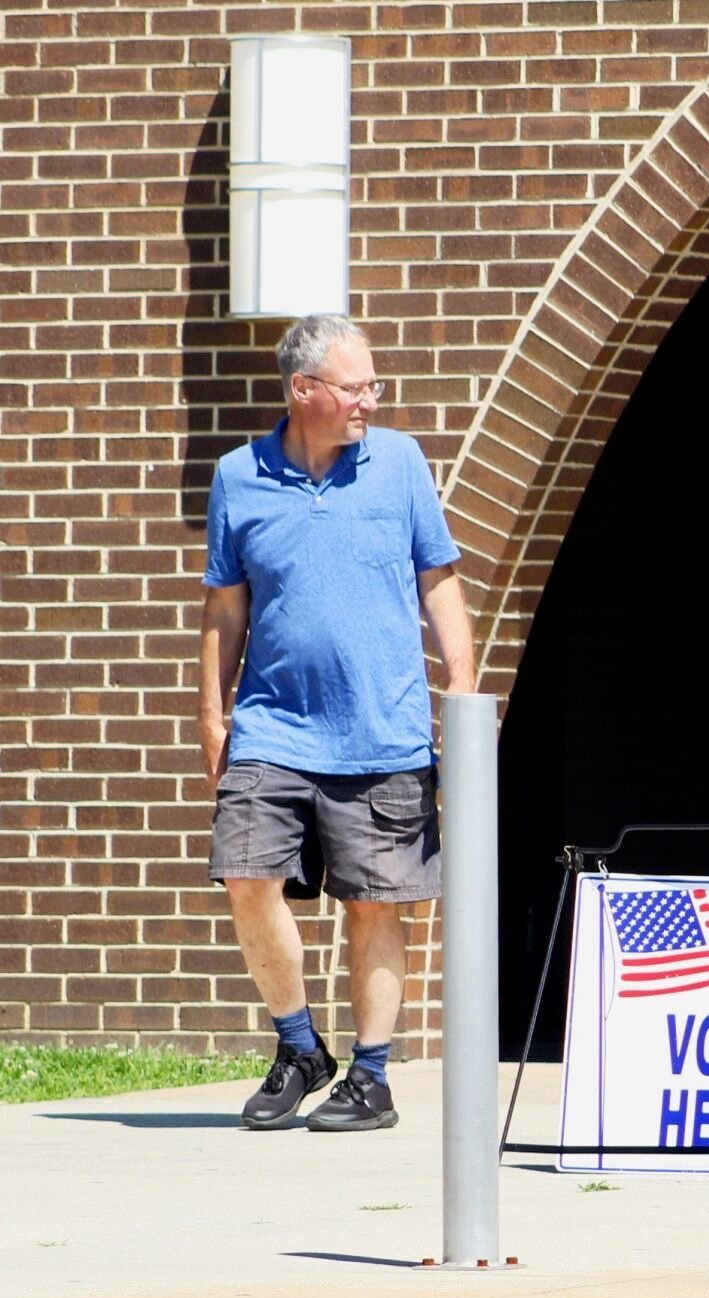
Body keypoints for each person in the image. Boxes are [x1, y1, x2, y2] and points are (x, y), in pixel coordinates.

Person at [198, 314, 475, 1132]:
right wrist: (212, 717)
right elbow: (225, 608)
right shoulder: (236, 477)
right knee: (247, 877)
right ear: (304, 391)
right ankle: (298, 1047)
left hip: (382, 728)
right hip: (272, 727)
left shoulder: (399, 465)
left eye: (373, 386)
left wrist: (460, 679)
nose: (369, 401)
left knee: (374, 903)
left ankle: (373, 1075)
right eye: (355, 388)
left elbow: (439, 579)